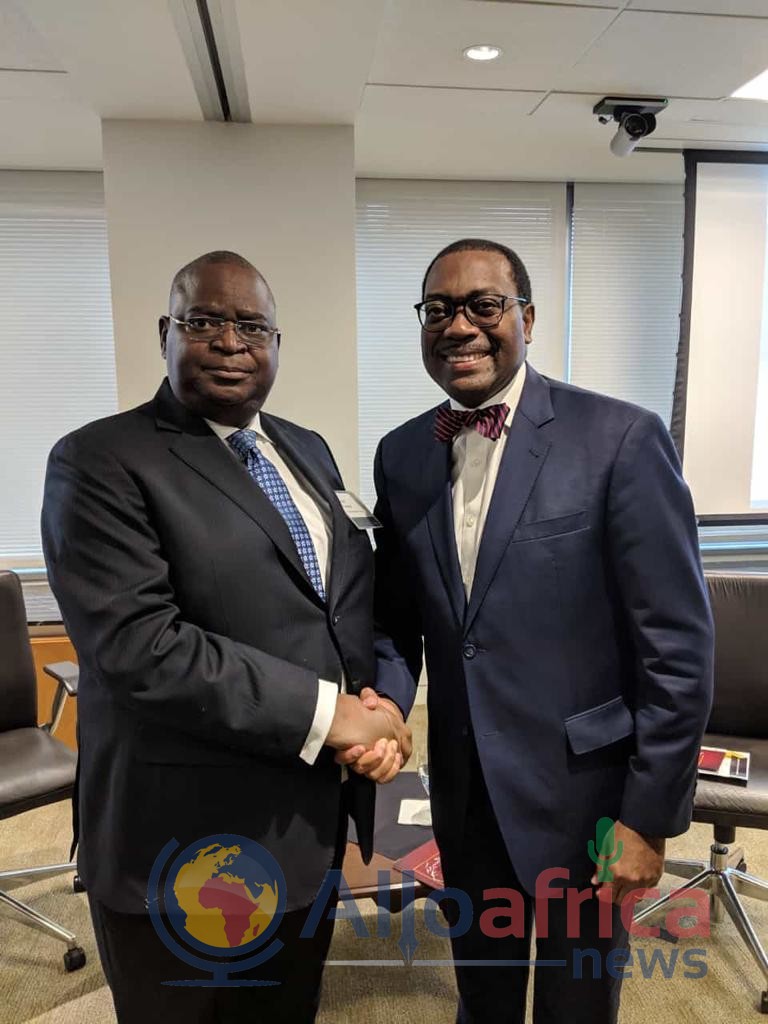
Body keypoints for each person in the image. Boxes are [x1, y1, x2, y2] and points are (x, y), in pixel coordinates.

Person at [41, 250, 413, 1023]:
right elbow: (143, 648)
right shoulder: (99, 460)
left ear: (276, 342)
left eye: (252, 326)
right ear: (165, 333)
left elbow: (346, 603)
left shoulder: (306, 447)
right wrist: (334, 715)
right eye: (204, 320)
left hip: (305, 825)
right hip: (180, 838)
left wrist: (380, 707)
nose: (230, 342)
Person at [361, 238, 714, 1023]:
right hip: (464, 791)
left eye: (483, 306)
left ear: (527, 317)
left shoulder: (620, 439)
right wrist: (384, 703)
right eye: (438, 310)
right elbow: (397, 618)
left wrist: (648, 816)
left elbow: (678, 649)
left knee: (576, 1002)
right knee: (482, 995)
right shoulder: (402, 455)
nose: (460, 326)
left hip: (587, 796)